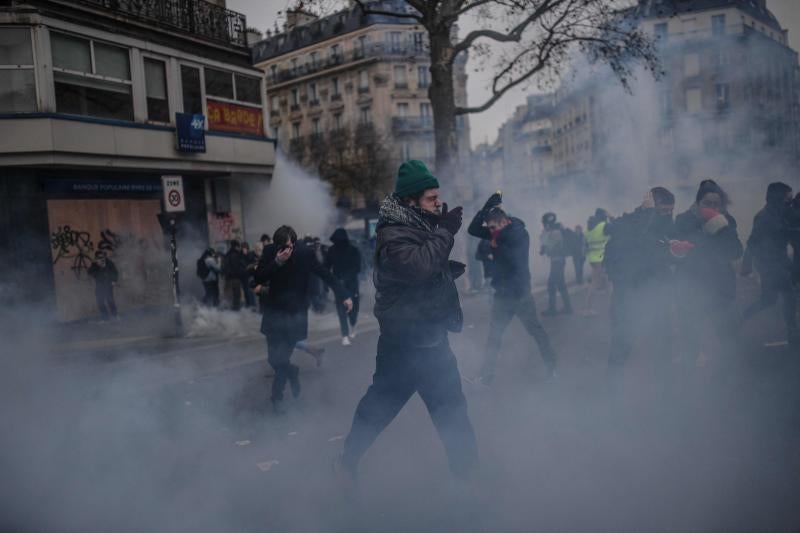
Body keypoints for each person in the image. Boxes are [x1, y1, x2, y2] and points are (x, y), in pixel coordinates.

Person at [340, 160, 478, 483]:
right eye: (431, 199)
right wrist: (445, 230)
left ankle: (470, 483)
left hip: (433, 340)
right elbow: (418, 266)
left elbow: (429, 266)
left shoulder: (420, 225)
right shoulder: (393, 234)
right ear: (410, 201)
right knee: (378, 409)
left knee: (454, 415)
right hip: (403, 345)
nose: (438, 204)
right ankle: (346, 461)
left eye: (437, 197)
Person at [254, 226, 353, 413]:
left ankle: (277, 399)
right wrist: (276, 262)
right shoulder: (270, 252)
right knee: (274, 360)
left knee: (283, 357)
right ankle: (292, 371)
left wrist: (344, 295)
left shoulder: (305, 254)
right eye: (280, 247)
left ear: (294, 243)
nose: (284, 251)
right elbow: (258, 277)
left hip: (296, 314)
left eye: (288, 247)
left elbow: (326, 275)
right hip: (274, 313)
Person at [468, 194, 557, 385]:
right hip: (502, 295)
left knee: (536, 332)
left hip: (520, 294)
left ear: (504, 222)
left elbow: (514, 260)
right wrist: (487, 207)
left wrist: (494, 249)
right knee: (494, 337)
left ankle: (553, 367)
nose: (490, 232)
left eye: (493, 228)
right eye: (489, 228)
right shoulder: (495, 233)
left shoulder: (519, 233)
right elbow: (473, 229)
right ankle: (486, 377)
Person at [603, 187, 677, 374]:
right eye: (663, 210)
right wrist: (648, 213)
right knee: (621, 347)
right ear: (652, 206)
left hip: (656, 296)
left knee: (663, 347)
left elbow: (657, 259)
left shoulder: (663, 227)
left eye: (670, 211)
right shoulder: (629, 223)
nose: (668, 215)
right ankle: (613, 395)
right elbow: (634, 244)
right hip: (628, 298)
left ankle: (664, 394)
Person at [673, 180, 743, 370]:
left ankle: (731, 384)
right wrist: (705, 233)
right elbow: (680, 252)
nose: (712, 208)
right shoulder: (684, 220)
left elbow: (736, 251)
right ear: (698, 203)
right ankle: (684, 391)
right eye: (707, 203)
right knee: (690, 342)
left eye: (716, 204)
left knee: (729, 339)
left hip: (720, 289)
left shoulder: (726, 220)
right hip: (691, 288)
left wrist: (722, 229)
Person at [742, 182, 798, 344]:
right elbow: (752, 242)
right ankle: (792, 332)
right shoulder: (765, 217)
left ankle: (742, 317)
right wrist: (747, 265)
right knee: (789, 294)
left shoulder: (781, 212)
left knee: (769, 300)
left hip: (779, 259)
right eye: (788, 198)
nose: (790, 201)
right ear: (778, 199)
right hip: (769, 263)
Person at [325, 228, 362, 346]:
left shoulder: (354, 250)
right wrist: (330, 281)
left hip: (351, 284)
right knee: (341, 311)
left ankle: (353, 324)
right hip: (339, 286)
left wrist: (344, 278)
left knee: (353, 308)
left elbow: (358, 268)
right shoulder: (331, 251)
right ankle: (345, 335)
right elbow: (326, 267)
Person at [540, 212, 572, 315]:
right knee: (560, 284)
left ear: (548, 223)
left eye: (544, 223)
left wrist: (545, 235)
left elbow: (545, 249)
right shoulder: (556, 231)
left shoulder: (555, 233)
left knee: (551, 285)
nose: (543, 225)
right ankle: (568, 308)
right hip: (557, 261)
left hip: (558, 261)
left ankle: (553, 309)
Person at [582, 208, 611, 316]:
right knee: (595, 283)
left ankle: (612, 306)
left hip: (593, 258)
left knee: (607, 282)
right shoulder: (603, 226)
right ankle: (587, 309)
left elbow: (585, 245)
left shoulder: (589, 229)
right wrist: (610, 217)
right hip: (601, 258)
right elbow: (616, 228)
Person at [88, 251, 119, 321]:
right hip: (99, 286)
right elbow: (90, 272)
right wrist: (96, 265)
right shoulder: (95, 265)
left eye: (102, 257)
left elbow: (115, 271)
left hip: (108, 285)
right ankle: (105, 318)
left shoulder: (109, 263)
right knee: (100, 302)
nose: (102, 259)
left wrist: (114, 280)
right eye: (99, 257)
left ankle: (115, 315)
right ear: (96, 258)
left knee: (110, 301)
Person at [223, 240, 246, 311]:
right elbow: (237, 267)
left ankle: (229, 315)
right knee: (236, 297)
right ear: (236, 246)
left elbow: (224, 267)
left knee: (229, 298)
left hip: (228, 279)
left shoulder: (227, 254)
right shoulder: (236, 255)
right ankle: (236, 313)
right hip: (235, 279)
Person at [241, 242, 258, 309]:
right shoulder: (242, 256)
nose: (243, 250)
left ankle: (253, 307)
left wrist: (250, 267)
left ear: (247, 248)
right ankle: (249, 307)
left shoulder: (251, 255)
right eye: (243, 248)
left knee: (251, 293)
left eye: (244, 248)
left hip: (250, 276)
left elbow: (255, 264)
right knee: (247, 293)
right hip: (244, 277)